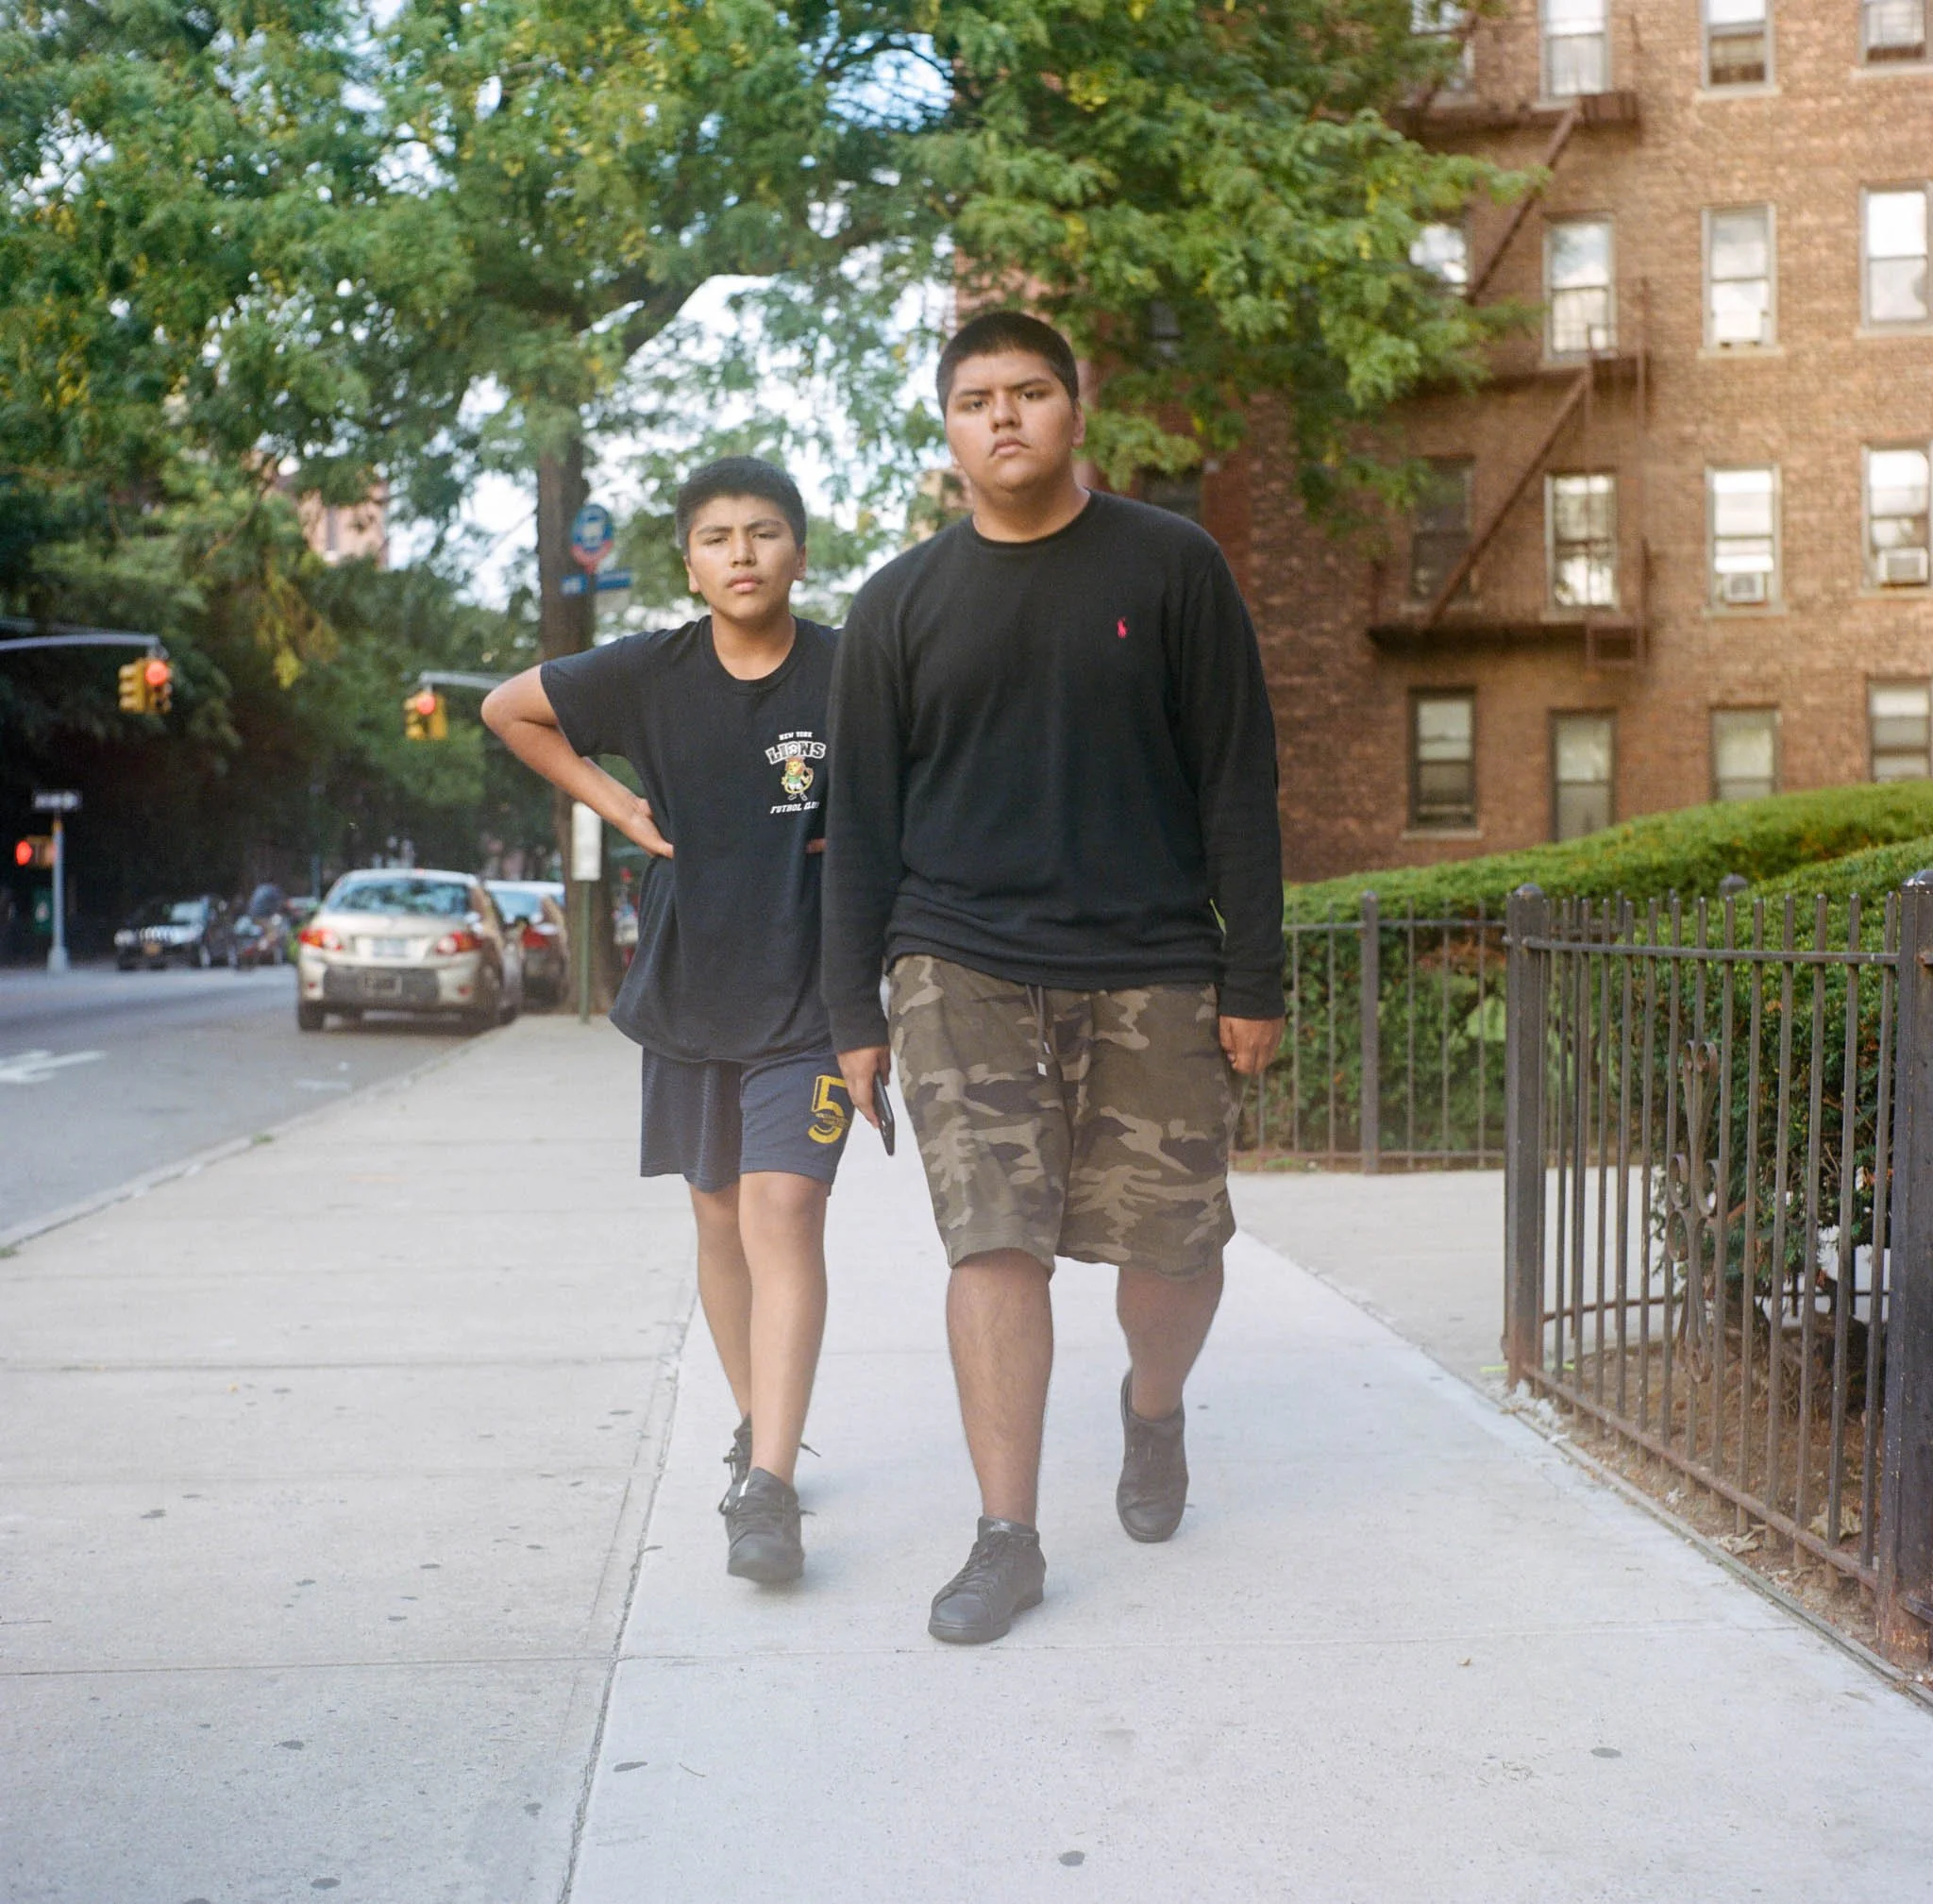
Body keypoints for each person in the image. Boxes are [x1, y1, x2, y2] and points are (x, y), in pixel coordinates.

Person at [823, 311, 1286, 1644]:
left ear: (1077, 411)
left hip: (1153, 960)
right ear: (950, 429)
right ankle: (1007, 1536)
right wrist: (855, 1011)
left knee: (1172, 1246)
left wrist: (1252, 973)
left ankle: (1153, 1410)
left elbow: (1237, 784)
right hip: (956, 960)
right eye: (977, 399)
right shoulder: (900, 603)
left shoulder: (1174, 566)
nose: (1004, 416)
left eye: (1031, 392)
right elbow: (857, 829)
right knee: (993, 1235)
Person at [483, 456, 849, 1587]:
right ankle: (757, 1428)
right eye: (717, 536)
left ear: (799, 549)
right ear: (688, 563)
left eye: (765, 531)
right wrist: (615, 801)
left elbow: (933, 780)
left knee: (783, 1211)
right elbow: (509, 709)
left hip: (814, 995)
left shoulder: (849, 672)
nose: (742, 552)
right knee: (719, 1218)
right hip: (690, 989)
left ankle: (771, 1492)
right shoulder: (648, 672)